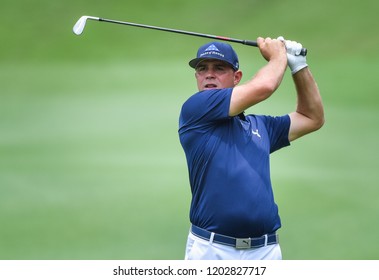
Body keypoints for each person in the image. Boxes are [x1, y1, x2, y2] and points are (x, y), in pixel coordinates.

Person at [178, 37, 324, 260]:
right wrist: (278, 56)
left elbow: (311, 117)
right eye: (202, 68)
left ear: (236, 77)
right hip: (212, 250)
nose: (209, 74)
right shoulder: (195, 110)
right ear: (196, 76)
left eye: (219, 68)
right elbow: (265, 86)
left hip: (265, 252)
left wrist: (298, 66)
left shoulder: (260, 126)